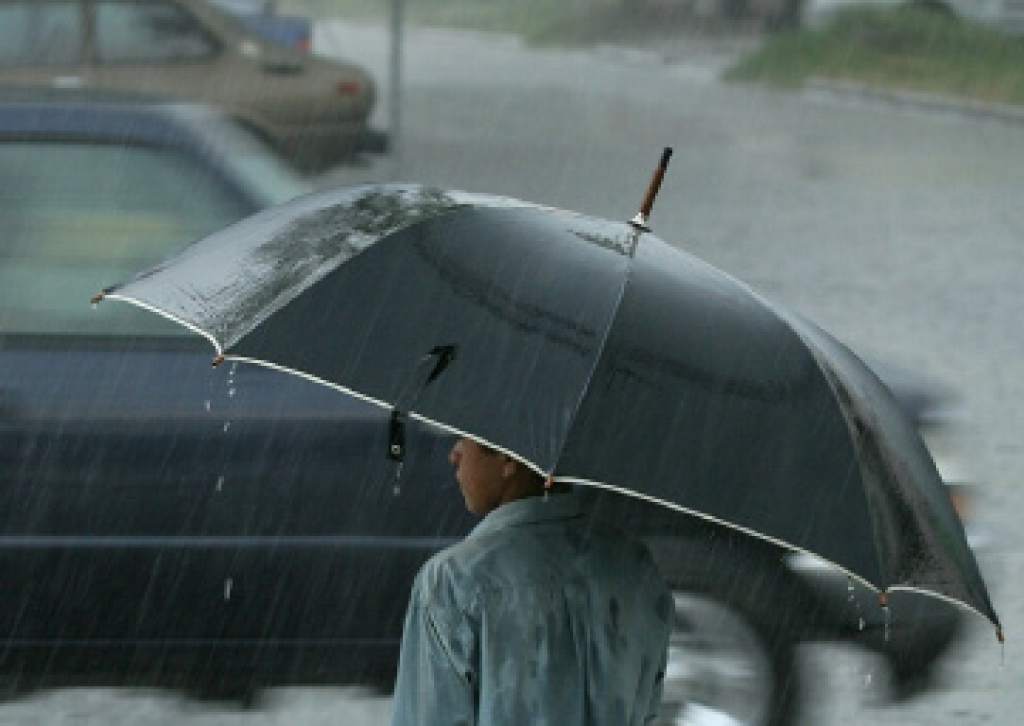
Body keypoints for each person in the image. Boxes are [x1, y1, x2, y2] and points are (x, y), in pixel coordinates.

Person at [390, 436, 673, 726]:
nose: (454, 455)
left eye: (466, 440)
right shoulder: (636, 568)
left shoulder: (453, 581)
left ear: (508, 458)